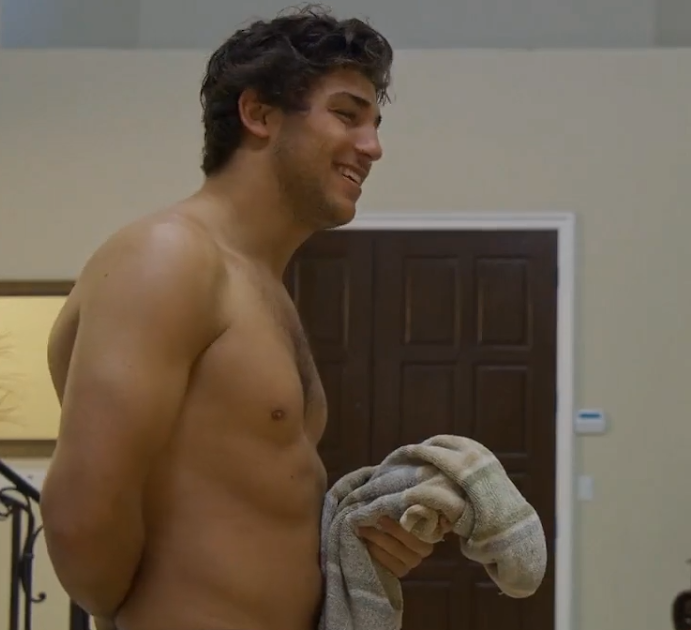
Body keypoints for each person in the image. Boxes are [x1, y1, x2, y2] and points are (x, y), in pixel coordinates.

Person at [39, 6, 444, 630]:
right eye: (346, 114)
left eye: (374, 124)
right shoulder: (168, 258)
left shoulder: (261, 286)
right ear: (258, 114)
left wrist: (359, 539)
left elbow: (243, 503)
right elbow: (81, 514)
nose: (372, 147)